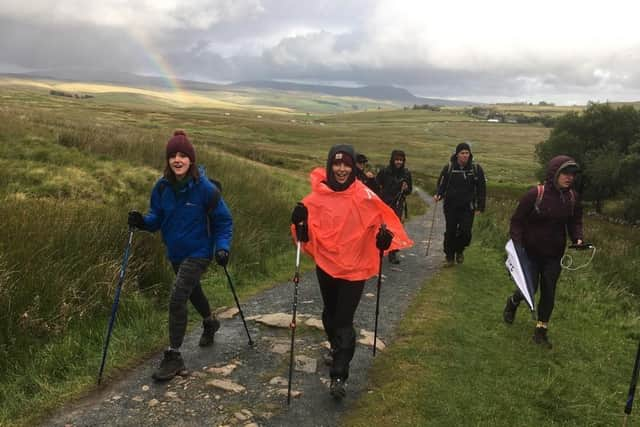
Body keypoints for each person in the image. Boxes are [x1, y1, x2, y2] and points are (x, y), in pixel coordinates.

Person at [290, 144, 413, 400]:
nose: (342, 169)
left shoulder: (365, 196)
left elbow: (384, 227)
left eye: (346, 164)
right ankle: (336, 348)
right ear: (329, 165)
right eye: (337, 164)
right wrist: (298, 221)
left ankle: (339, 374)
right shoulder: (316, 198)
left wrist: (382, 240)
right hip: (326, 265)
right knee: (330, 315)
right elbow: (304, 235)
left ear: (353, 166)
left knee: (344, 321)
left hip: (355, 269)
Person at [127, 130, 233, 380]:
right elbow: (156, 219)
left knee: (177, 298)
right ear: (168, 160)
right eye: (173, 155)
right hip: (175, 252)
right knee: (193, 291)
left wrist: (222, 247)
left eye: (183, 155)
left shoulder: (205, 189)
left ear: (191, 160)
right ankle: (210, 321)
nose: (177, 160)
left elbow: (223, 221)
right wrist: (142, 221)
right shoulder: (162, 187)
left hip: (199, 251)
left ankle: (174, 355)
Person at [502, 155, 584, 348]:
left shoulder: (572, 198)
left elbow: (575, 221)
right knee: (530, 288)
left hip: (554, 255)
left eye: (572, 174)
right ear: (554, 173)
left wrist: (578, 238)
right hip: (529, 252)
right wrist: (517, 246)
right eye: (565, 173)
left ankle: (541, 331)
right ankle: (513, 302)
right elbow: (517, 221)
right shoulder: (535, 194)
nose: (569, 177)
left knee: (549, 291)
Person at [434, 142, 486, 266]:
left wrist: (480, 206)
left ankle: (459, 250)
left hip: (468, 207)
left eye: (467, 153)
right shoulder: (449, 168)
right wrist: (438, 194)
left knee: (466, 232)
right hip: (451, 206)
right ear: (457, 155)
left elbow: (482, 189)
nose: (465, 155)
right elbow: (442, 184)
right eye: (462, 153)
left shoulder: (476, 169)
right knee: (450, 231)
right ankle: (449, 257)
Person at [376, 150, 413, 264]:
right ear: (392, 159)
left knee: (395, 228)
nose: (399, 162)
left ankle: (392, 253)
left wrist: (406, 189)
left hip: (398, 203)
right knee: (382, 228)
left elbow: (409, 190)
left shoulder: (406, 173)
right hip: (384, 203)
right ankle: (379, 250)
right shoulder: (384, 171)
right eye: (397, 160)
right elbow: (377, 184)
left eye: (401, 160)